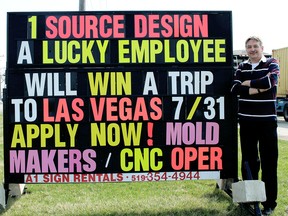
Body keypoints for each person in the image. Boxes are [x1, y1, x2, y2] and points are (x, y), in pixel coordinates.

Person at [231, 36, 280, 215]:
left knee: (269, 163)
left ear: (262, 47)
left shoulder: (272, 63)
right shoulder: (241, 67)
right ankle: (250, 199)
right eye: (249, 47)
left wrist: (248, 85)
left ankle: (269, 203)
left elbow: (270, 82)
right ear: (246, 50)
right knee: (249, 162)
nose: (252, 50)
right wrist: (259, 88)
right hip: (246, 122)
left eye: (255, 46)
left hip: (267, 122)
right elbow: (234, 88)